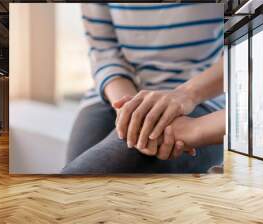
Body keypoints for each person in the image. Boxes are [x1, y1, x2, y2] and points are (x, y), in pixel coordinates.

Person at [61, 3, 225, 174]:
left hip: (203, 94)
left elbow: (243, 46)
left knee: (84, 176)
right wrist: (131, 112)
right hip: (116, 94)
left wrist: (187, 94)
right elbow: (104, 52)